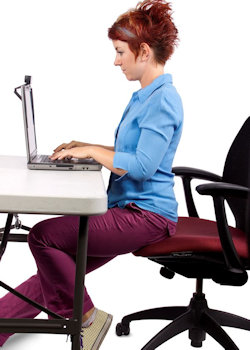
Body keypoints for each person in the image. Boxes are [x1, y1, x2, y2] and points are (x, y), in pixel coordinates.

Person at [0, 0, 183, 349]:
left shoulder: (163, 100)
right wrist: (86, 146)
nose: (116, 61)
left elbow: (142, 167)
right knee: (57, 272)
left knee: (43, 237)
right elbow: (133, 153)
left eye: (120, 52)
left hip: (147, 217)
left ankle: (86, 317)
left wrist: (92, 153)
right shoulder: (145, 96)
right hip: (128, 210)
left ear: (143, 51)